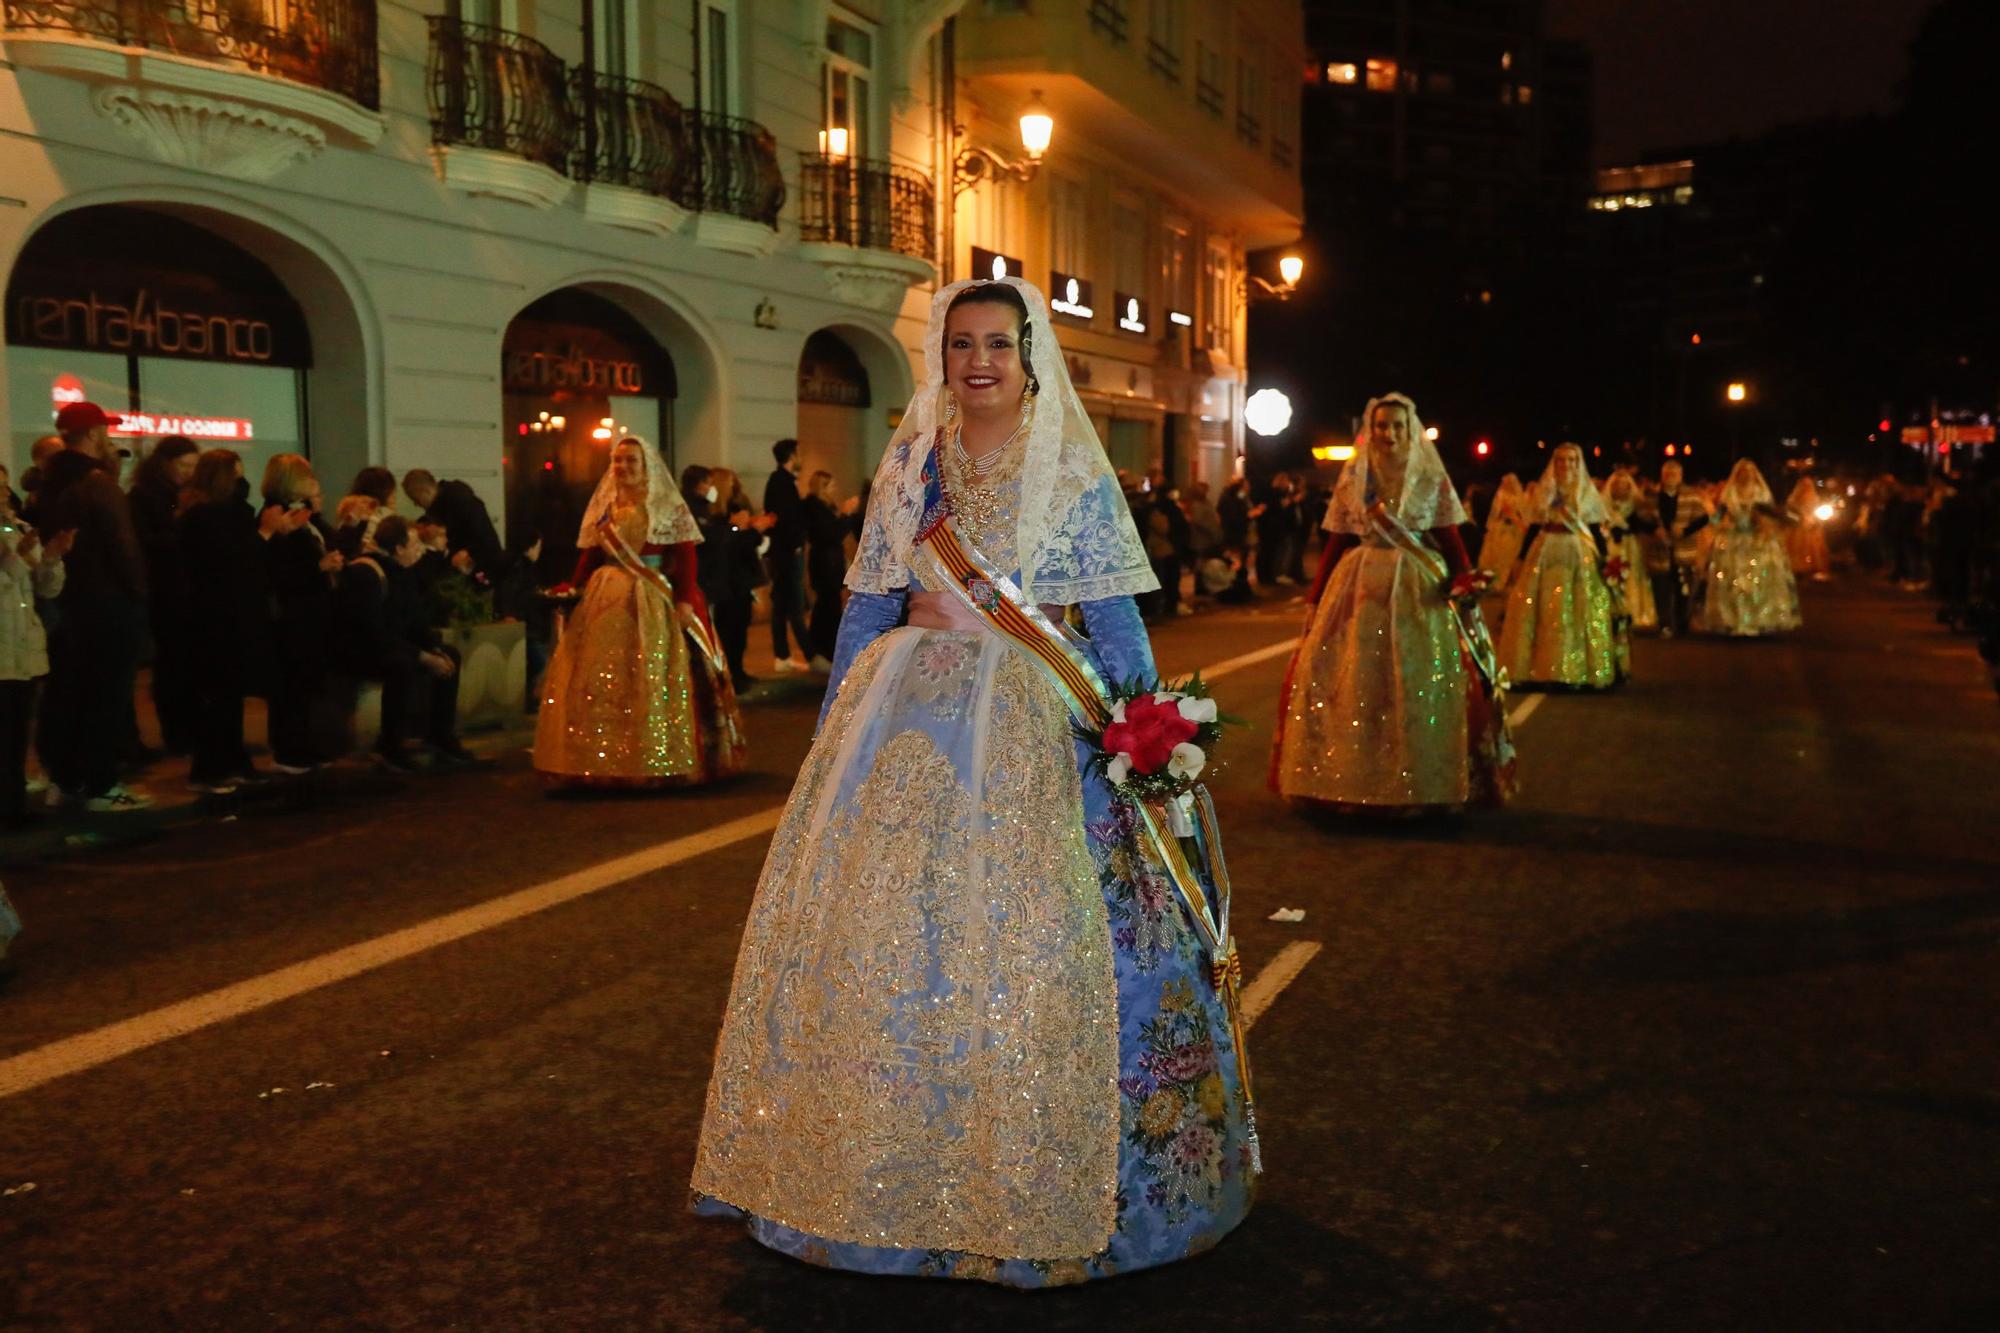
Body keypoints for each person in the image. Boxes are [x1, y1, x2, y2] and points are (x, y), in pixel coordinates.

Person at [694, 277, 1256, 1286]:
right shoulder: (912, 457)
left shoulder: (1071, 465)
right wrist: (832, 738)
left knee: (1040, 933)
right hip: (905, 718)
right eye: (960, 344)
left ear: (1028, 352)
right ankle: (873, 1176)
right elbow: (869, 603)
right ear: (940, 357)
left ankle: (1034, 1176)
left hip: (1032, 721)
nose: (978, 360)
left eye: (997, 341)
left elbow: (1113, 618)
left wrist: (1142, 734)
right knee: (886, 935)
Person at [1271, 392, 1514, 811]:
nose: (1389, 433)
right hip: (1360, 583)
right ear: (1371, 430)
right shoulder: (1355, 477)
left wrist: (1464, 581)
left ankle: (1419, 783)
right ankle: (1347, 779)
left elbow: (1449, 537)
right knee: (1355, 679)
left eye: (1397, 426)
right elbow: (1339, 540)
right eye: (1382, 426)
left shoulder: (1429, 476)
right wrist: (1315, 598)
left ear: (1410, 429)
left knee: (1414, 680)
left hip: (1417, 587)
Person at [533, 438, 745, 788]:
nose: (623, 467)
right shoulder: (605, 506)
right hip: (604, 598)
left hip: (650, 597)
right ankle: (601, 760)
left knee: (652, 671)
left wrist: (686, 598)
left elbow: (686, 555)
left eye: (631, 460)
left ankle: (655, 757)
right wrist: (574, 587)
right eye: (618, 461)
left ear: (646, 465)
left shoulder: (665, 505)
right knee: (601, 679)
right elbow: (590, 555)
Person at [33, 402, 152, 812]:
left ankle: (66, 777)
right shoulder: (97, 483)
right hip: (109, 605)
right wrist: (138, 594)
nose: (109, 438)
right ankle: (101, 783)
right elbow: (123, 548)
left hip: (70, 604)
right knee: (107, 697)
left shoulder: (49, 483)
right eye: (103, 431)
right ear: (92, 435)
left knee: (71, 694)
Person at [335, 516, 474, 772]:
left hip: (394, 642)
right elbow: (373, 633)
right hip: (362, 650)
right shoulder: (365, 573)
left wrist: (433, 649)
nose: (420, 551)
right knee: (401, 665)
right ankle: (390, 744)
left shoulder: (404, 573)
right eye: (415, 545)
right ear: (398, 548)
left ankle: (440, 735)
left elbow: (415, 620)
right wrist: (421, 656)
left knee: (449, 654)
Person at [1495, 445, 1622, 690]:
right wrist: (1520, 559)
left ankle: (1576, 670)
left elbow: (1594, 530)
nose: (1566, 466)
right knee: (1541, 608)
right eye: (1561, 461)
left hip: (1577, 553)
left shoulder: (1587, 493)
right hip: (1545, 551)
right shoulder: (1544, 491)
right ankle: (1539, 669)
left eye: (1572, 461)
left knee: (1577, 607)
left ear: (1578, 464)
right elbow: (1533, 527)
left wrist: (1605, 561)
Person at [261, 454, 342, 773]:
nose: (313, 482)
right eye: (306, 476)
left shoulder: (304, 514)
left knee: (306, 682)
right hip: (294, 615)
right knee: (292, 684)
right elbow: (277, 570)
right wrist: (317, 567)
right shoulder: (277, 514)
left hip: (313, 612)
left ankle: (303, 745)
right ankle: (288, 749)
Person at [127, 437, 200, 755]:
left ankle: (188, 727)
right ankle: (177, 731)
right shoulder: (145, 496)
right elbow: (147, 542)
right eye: (184, 465)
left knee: (185, 661)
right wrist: (180, 522)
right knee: (172, 662)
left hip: (185, 587)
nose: (189, 472)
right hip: (165, 589)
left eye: (193, 466)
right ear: (165, 463)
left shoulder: (181, 494)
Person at [2, 495, 71, 828]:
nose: (2, 496)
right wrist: (18, 559)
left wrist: (52, 559)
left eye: (2, 487)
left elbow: (46, 589)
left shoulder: (18, 528)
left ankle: (15, 805)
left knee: (17, 731)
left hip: (22, 646)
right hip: (4, 647)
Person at [1691, 459, 1802, 637]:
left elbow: (1773, 513)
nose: (1746, 476)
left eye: (1749, 473)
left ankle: (1759, 620)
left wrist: (1790, 518)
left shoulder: (1760, 496)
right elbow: (1716, 517)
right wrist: (1693, 527)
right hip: (1732, 544)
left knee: (1757, 583)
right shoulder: (1729, 497)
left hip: (1757, 543)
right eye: (1742, 473)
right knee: (1731, 583)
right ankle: (1731, 620)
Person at [1631, 459, 1711, 636]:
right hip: (1659, 550)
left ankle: (1682, 623)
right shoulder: (1651, 496)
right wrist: (1654, 530)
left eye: (1674, 474)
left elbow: (1703, 518)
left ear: (1680, 476)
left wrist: (1685, 530)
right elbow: (1639, 518)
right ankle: (1665, 623)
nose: (1670, 477)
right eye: (1667, 474)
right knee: (1661, 588)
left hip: (1683, 550)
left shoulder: (1691, 496)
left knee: (1683, 588)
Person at [403, 469, 506, 582]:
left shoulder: (459, 501)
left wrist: (467, 553)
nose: (416, 504)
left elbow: (483, 536)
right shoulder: (441, 505)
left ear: (425, 491)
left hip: (481, 569)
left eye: (416, 499)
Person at [762, 438, 812, 673]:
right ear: (791, 455)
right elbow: (785, 518)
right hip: (786, 554)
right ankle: (809, 653)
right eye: (799, 453)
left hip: (784, 552)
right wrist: (794, 545)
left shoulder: (782, 482)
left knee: (782, 604)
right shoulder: (781, 482)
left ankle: (782, 655)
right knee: (792, 604)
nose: (801, 458)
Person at [1601, 470, 1659, 633]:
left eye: (1624, 487)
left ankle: (1633, 611)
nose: (1620, 490)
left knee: (1633, 576)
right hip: (1611, 544)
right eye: (1617, 486)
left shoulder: (1635, 506)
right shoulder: (1604, 506)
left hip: (1630, 545)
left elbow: (1646, 523)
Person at [800, 469, 846, 669]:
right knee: (827, 606)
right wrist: (846, 516)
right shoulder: (815, 507)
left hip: (830, 563)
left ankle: (825, 648)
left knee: (829, 605)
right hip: (825, 564)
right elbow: (831, 533)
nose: (835, 489)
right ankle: (822, 648)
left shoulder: (824, 506)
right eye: (832, 485)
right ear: (823, 487)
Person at [1476, 472, 1529, 588]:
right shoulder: (1501, 494)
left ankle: (1504, 581)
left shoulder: (1520, 497)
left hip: (1514, 529)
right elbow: (1495, 512)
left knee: (1508, 555)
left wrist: (1518, 521)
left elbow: (1524, 513)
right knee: (1496, 554)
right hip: (1502, 528)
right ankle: (1493, 581)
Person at [1785, 476, 1833, 580]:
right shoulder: (1793, 499)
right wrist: (1799, 517)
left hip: (1811, 527)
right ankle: (1797, 568)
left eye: (1808, 485)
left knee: (1812, 548)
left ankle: (1812, 568)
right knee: (1798, 547)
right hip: (1797, 528)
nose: (1806, 488)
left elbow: (1816, 511)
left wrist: (1815, 521)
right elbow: (1790, 511)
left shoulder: (1814, 498)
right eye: (1804, 485)